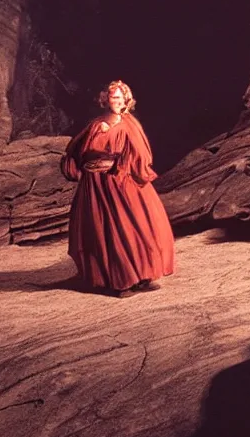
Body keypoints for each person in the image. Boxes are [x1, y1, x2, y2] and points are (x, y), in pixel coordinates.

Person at [60, 80, 175, 297]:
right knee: (105, 230)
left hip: (120, 180)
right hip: (95, 184)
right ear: (105, 100)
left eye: (121, 98)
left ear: (127, 101)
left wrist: (124, 170)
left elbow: (140, 155)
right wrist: (87, 165)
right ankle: (118, 281)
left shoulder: (130, 124)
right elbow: (75, 150)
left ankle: (141, 276)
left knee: (136, 226)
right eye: (114, 97)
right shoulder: (95, 124)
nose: (117, 101)